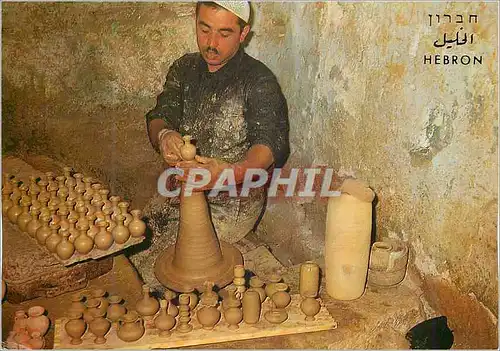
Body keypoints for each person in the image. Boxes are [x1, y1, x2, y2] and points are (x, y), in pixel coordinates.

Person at [129, 1, 290, 293]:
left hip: (233, 201)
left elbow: (270, 144)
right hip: (181, 189)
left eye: (224, 34)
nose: (211, 43)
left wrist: (230, 173)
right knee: (133, 251)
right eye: (204, 30)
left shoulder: (259, 80)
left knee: (170, 280)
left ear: (243, 34)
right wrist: (164, 134)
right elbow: (160, 114)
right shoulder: (184, 67)